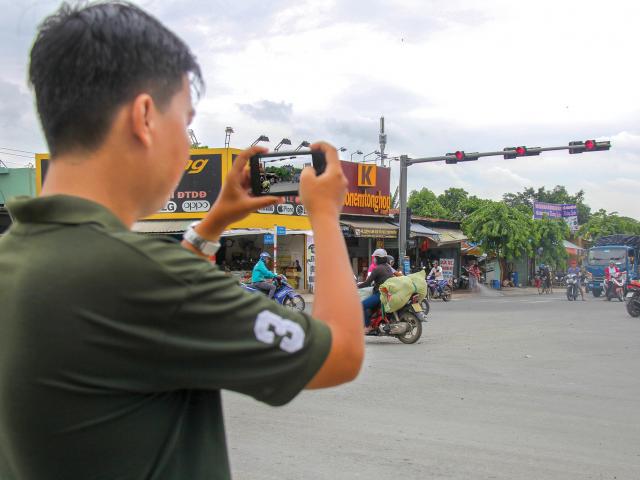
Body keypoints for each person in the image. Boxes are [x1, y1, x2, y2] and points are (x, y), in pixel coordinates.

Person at [0, 3, 364, 479]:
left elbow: (146, 318)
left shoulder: (18, 256)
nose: (188, 145)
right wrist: (325, 216)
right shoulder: (143, 277)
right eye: (185, 121)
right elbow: (340, 353)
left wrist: (212, 224)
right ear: (145, 116)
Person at [357, 249, 395, 333]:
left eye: (375, 257)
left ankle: (367, 326)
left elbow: (367, 283)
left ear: (378, 258)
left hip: (380, 294)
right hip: (388, 293)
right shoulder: (388, 267)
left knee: (362, 305)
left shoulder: (377, 268)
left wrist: (356, 286)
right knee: (369, 306)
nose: (374, 259)